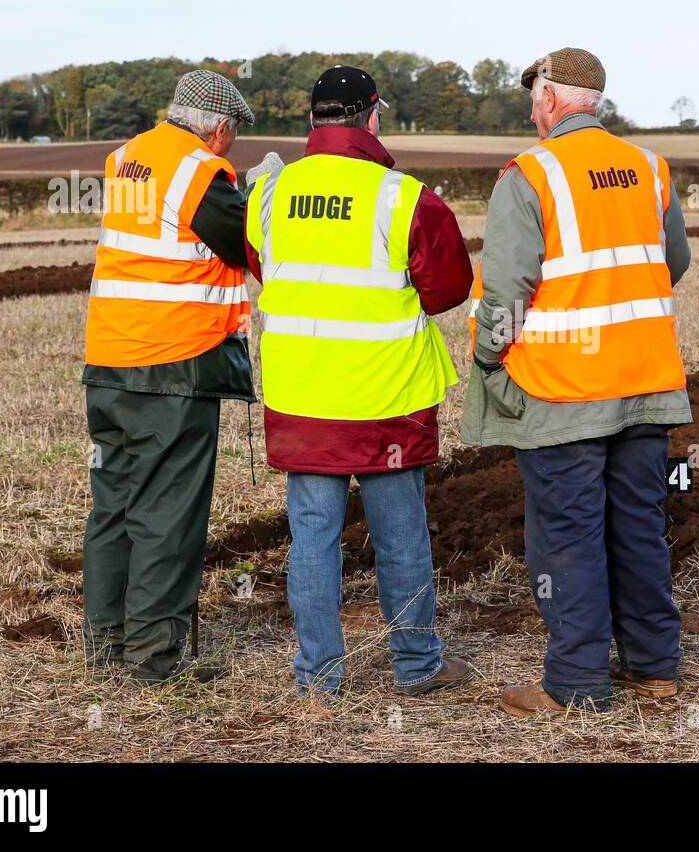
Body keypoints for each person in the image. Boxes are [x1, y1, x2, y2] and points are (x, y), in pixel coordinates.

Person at [462, 47, 693, 717]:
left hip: (564, 391)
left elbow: (506, 288)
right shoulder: (649, 168)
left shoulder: (528, 174)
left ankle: (576, 683)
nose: (532, 107)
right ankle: (655, 668)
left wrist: (486, 357)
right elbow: (670, 261)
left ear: (552, 100)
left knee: (567, 538)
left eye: (535, 95)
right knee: (639, 528)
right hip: (645, 383)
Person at [244, 66, 474, 698]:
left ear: (312, 121)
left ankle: (318, 678)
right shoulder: (403, 196)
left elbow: (265, 267)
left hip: (302, 398)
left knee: (311, 541)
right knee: (400, 537)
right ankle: (417, 664)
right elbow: (450, 287)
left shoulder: (270, 194)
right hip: (384, 399)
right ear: (373, 116)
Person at [83, 69, 256, 683]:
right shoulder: (198, 168)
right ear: (220, 126)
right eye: (233, 134)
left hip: (108, 361)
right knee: (168, 511)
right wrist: (260, 193)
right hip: (173, 366)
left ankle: (105, 642)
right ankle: (154, 657)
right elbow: (243, 241)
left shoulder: (126, 157)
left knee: (115, 503)